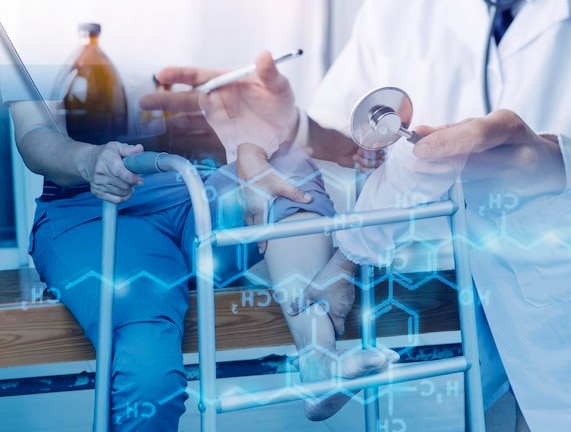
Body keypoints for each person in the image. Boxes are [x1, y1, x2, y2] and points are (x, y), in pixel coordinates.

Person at [179, 1, 571, 431]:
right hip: (430, 272)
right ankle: (318, 365)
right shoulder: (396, 8)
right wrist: (290, 127)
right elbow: (354, 144)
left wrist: (562, 163)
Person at [6, 49, 397, 431]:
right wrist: (88, 161)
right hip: (96, 209)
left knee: (289, 171)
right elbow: (34, 133)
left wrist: (257, 151)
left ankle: (318, 362)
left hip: (195, 192)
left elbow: (257, 107)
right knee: (149, 373)